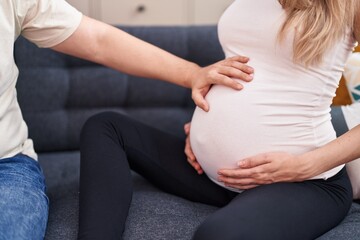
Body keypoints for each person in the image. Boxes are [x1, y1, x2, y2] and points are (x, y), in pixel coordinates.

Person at [78, 0, 360, 239]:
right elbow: (260, 68)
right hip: (212, 176)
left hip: (304, 183)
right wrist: (206, 129)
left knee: (217, 235)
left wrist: (303, 166)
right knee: (106, 127)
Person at [0, 0, 254, 239]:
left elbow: (99, 41)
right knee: (104, 126)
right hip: (213, 172)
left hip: (7, 164)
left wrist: (194, 74)